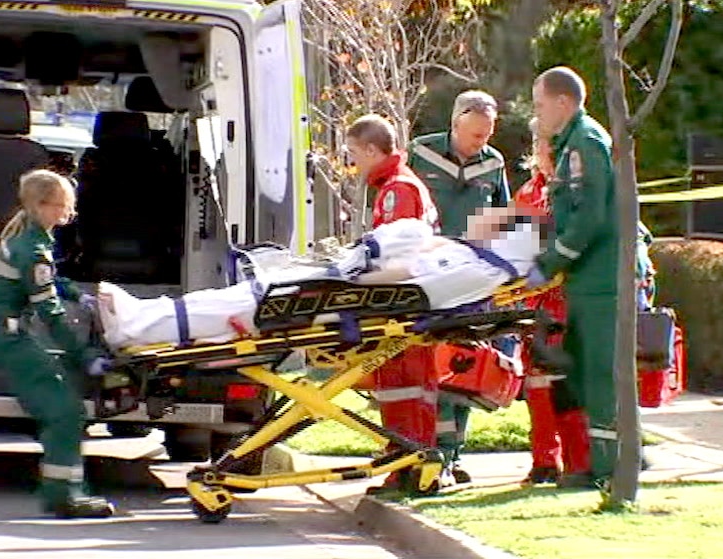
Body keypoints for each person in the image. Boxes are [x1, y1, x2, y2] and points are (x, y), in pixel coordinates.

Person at [98, 210, 550, 350]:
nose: (487, 216)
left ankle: (133, 328)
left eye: (500, 218)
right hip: (346, 290)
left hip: (344, 298)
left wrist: (349, 275)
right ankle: (143, 315)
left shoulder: (478, 268)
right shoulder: (473, 258)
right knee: (240, 298)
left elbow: (410, 283)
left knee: (240, 308)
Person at [0, 169, 115, 519]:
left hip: (3, 333)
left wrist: (73, 291)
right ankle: (63, 495)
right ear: (40, 206)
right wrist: (84, 354)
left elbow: (47, 283)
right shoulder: (33, 249)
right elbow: (50, 314)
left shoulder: (27, 239)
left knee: (63, 405)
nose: (66, 215)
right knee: (65, 411)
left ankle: (65, 492)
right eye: (61, 207)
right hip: (8, 338)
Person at [407, 90, 513, 484]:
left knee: (466, 365)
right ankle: (423, 448)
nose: (480, 143)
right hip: (430, 276)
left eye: (486, 135)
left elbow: (503, 216)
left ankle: (452, 455)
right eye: (474, 135)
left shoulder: (494, 163)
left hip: (474, 279)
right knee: (427, 363)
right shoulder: (421, 153)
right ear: (455, 125)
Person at [528, 66, 619, 488]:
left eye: (540, 103)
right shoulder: (570, 145)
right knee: (584, 373)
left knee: (601, 374)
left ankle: (610, 469)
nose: (538, 112)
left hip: (600, 280)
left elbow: (590, 214)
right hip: (585, 279)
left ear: (563, 102)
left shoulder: (584, 142)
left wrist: (550, 262)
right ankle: (598, 465)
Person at [343, 114, 441, 495]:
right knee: (410, 388)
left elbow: (397, 255)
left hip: (404, 305)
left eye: (354, 153)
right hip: (411, 303)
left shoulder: (397, 191)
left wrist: (361, 281)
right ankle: (411, 464)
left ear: (371, 149)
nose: (353, 162)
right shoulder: (399, 185)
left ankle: (408, 467)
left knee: (404, 388)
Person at [514, 118, 591, 486]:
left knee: (568, 384)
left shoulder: (573, 192)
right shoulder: (528, 193)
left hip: (571, 301)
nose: (550, 153)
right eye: (546, 145)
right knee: (539, 385)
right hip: (537, 305)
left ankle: (580, 462)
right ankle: (545, 461)